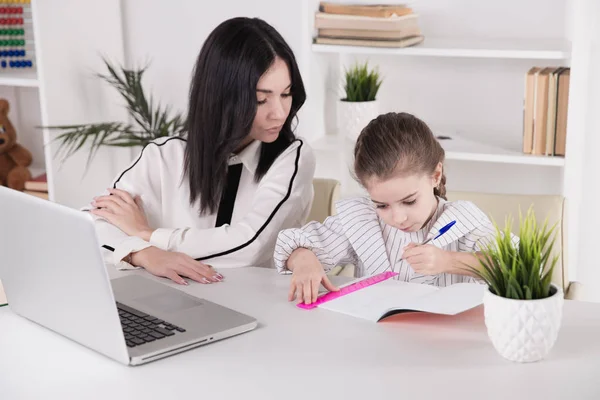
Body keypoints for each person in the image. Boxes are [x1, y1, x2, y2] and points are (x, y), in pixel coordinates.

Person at [88, 17, 315, 286]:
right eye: (261, 99)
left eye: (286, 94)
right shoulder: (164, 155)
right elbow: (92, 225)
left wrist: (148, 234)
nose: (279, 112)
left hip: (260, 307)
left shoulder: (292, 158)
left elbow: (249, 245)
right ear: (223, 97)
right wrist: (145, 254)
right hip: (174, 303)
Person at [275, 112, 517, 305]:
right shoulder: (363, 220)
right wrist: (304, 260)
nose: (398, 218)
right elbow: (297, 244)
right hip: (377, 346)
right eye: (382, 205)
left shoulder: (462, 221)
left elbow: (517, 267)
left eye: (410, 201)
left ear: (435, 175)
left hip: (446, 351)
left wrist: (449, 261)